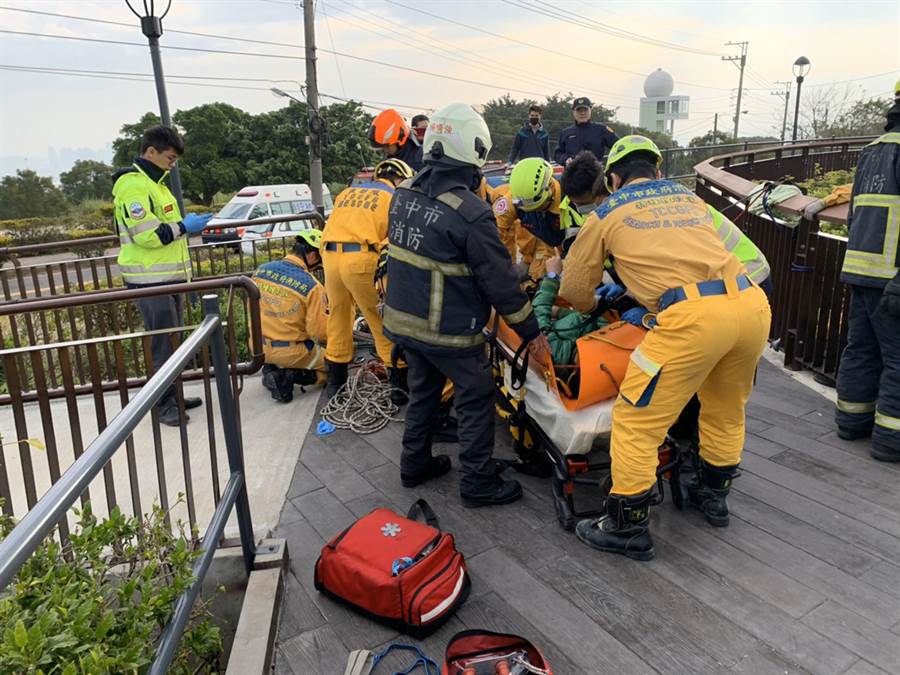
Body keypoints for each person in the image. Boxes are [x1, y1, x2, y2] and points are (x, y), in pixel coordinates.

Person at [559, 135, 771, 560]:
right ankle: (713, 499)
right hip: (750, 307)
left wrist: (599, 300)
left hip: (690, 320)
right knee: (725, 410)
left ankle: (627, 526)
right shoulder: (689, 200)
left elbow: (575, 290)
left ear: (614, 178)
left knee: (636, 421)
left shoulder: (606, 212)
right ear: (657, 171)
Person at [383, 102, 551, 507]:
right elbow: (502, 287)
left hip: (405, 323)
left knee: (423, 390)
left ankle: (414, 464)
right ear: (473, 151)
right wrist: (532, 333)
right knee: (475, 395)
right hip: (450, 330)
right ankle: (478, 483)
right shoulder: (471, 215)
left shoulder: (402, 195)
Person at [112, 125, 212, 427]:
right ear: (150, 152)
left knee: (173, 341)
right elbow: (149, 236)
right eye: (169, 157)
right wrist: (185, 226)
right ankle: (163, 404)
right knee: (162, 344)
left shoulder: (158, 185)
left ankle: (173, 394)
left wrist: (184, 225)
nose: (173, 163)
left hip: (168, 279)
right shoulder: (134, 186)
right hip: (149, 281)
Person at [835, 80, 900, 462]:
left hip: (859, 266)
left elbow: (854, 211)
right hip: (892, 275)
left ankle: (851, 422)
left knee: (861, 347)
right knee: (897, 358)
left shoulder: (873, 150)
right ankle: (891, 441)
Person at [322, 158, 415, 400]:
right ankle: (397, 386)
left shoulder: (346, 193)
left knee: (338, 317)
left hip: (330, 257)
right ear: (399, 178)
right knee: (381, 319)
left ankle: (336, 384)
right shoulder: (393, 198)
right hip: (362, 259)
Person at [253, 230, 328, 403]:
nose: (318, 268)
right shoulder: (312, 286)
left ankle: (270, 368)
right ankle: (288, 377)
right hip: (292, 352)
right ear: (312, 255)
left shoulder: (261, 271)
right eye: (319, 263)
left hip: (258, 348)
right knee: (339, 363)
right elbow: (320, 332)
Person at [492, 158, 562, 279]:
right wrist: (506, 267)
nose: (534, 212)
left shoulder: (571, 198)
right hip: (541, 243)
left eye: (538, 207)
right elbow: (496, 236)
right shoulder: (510, 202)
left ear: (550, 187)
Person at [535, 255, 608, 367]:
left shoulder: (559, 352)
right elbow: (537, 317)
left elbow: (538, 318)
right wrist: (552, 276)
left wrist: (560, 312)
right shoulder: (558, 353)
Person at [554, 97, 619, 166]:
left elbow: (618, 146)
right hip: (572, 173)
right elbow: (558, 154)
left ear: (590, 110)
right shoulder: (565, 133)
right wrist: (565, 159)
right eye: (579, 110)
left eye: (585, 110)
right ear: (573, 112)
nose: (582, 113)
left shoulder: (601, 129)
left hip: (596, 174)